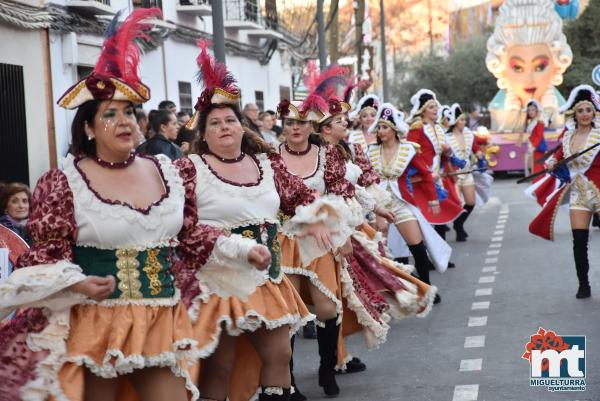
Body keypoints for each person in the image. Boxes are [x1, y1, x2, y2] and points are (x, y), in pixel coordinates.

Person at [0, 9, 202, 401]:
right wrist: (76, 281)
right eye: (110, 114)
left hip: (159, 319)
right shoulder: (65, 182)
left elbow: (192, 236)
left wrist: (245, 250)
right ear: (89, 128)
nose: (125, 120)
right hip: (95, 325)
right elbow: (44, 257)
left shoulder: (166, 171)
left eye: (130, 111)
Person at [173, 41, 344, 401]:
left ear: (241, 127)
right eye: (215, 123)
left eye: (230, 120)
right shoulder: (188, 170)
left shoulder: (267, 165)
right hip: (217, 279)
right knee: (221, 366)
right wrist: (234, 248)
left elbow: (302, 196)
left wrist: (314, 220)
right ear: (202, 133)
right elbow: (182, 228)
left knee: (280, 355)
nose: (224, 127)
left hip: (268, 278)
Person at [276, 88, 366, 398]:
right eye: (289, 122)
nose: (295, 128)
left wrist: (342, 236)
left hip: (320, 238)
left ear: (313, 126)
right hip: (285, 239)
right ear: (282, 126)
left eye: (301, 123)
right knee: (287, 313)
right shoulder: (270, 157)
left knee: (327, 308)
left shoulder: (327, 155)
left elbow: (340, 196)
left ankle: (327, 369)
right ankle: (287, 381)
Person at [367, 102, 449, 305]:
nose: (380, 131)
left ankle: (426, 288)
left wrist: (432, 199)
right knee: (379, 251)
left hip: (400, 203)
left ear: (394, 130)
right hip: (378, 205)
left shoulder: (408, 150)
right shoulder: (370, 151)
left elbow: (426, 175)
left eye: (384, 126)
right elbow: (365, 178)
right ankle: (384, 293)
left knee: (417, 247)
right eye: (379, 127)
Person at [529, 84, 600, 299]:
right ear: (574, 114)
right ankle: (584, 284)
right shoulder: (568, 136)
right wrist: (551, 163)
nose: (585, 114)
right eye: (581, 111)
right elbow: (559, 155)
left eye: (589, 110)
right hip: (578, 193)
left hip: (598, 190)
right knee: (579, 241)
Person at [486, 0, 573, 131]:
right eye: (517, 68)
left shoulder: (562, 111)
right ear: (503, 69)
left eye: (540, 67)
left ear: (555, 67)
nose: (529, 79)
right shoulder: (499, 109)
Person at [406, 89, 464, 270]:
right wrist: (426, 171)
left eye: (436, 107)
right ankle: (429, 259)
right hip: (421, 180)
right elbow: (411, 152)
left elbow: (440, 154)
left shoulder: (438, 128)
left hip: (436, 177)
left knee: (440, 217)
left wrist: (447, 153)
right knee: (427, 219)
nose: (435, 110)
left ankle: (441, 256)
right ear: (423, 109)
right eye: (431, 107)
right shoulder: (417, 127)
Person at [445, 103, 491, 241]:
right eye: (461, 120)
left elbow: (475, 148)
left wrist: (480, 157)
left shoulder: (469, 134)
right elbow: (444, 156)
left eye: (464, 120)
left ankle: (459, 223)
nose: (464, 122)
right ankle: (458, 229)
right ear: (455, 121)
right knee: (457, 203)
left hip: (467, 172)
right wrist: (451, 162)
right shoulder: (446, 137)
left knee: (470, 202)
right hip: (453, 175)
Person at [525, 100, 548, 176]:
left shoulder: (539, 121)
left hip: (538, 148)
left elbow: (539, 136)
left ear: (537, 111)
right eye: (529, 110)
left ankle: (538, 184)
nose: (531, 112)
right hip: (533, 147)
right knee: (535, 168)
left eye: (533, 110)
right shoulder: (531, 121)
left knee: (538, 169)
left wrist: (533, 146)